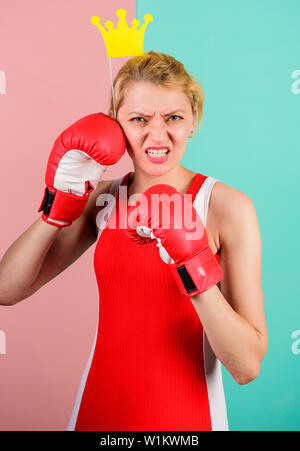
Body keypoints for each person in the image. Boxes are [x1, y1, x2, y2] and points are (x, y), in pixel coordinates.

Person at [0, 51, 268, 431]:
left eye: (173, 117)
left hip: (187, 421)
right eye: (139, 119)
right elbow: (6, 289)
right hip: (97, 411)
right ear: (116, 125)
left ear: (193, 119)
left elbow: (247, 365)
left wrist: (193, 265)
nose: (157, 135)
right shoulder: (102, 199)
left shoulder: (225, 206)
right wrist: (56, 207)